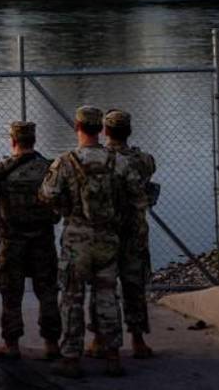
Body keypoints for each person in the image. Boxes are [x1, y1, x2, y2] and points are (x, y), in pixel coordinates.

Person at [39, 105, 148, 379]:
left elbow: (47, 194)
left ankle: (71, 358)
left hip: (77, 239)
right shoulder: (118, 161)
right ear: (100, 129)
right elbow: (137, 196)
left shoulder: (65, 161)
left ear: (77, 127)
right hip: (108, 239)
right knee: (107, 295)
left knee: (72, 298)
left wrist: (66, 208)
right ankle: (112, 355)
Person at [0, 121, 61, 360]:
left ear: (13, 140)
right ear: (33, 140)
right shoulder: (49, 167)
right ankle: (52, 343)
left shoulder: (3, 169)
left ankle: (12, 344)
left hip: (12, 242)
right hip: (43, 240)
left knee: (10, 294)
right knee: (47, 291)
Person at [88, 109, 157, 359]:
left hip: (105, 231)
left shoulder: (98, 159)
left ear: (105, 131)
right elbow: (148, 173)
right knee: (134, 285)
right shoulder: (144, 160)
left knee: (102, 286)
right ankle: (138, 340)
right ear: (128, 131)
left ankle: (98, 338)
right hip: (134, 231)